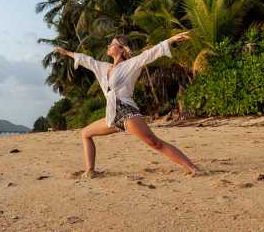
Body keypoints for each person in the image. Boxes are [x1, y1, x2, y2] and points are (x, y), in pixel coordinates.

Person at [53, 32, 203, 178]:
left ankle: (193, 168)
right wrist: (66, 52)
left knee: (155, 143)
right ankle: (90, 171)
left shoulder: (130, 65)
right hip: (112, 115)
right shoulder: (103, 67)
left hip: (126, 112)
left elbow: (150, 53)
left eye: (112, 44)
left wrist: (171, 39)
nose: (108, 46)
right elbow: (87, 60)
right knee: (86, 133)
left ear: (122, 49)